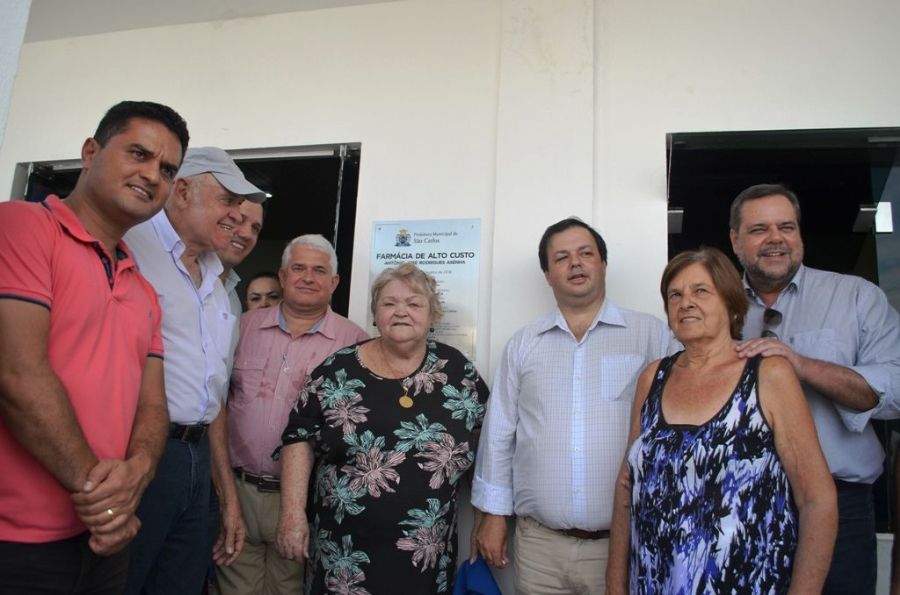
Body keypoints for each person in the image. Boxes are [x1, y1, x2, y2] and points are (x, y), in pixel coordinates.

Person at [0, 101, 188, 593]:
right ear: (90, 152)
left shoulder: (143, 290)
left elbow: (153, 406)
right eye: (139, 154)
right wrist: (106, 504)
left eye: (167, 169)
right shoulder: (20, 226)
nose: (152, 175)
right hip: (16, 543)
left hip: (104, 543)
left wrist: (140, 471)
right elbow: (18, 377)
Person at [606, 247, 837, 594]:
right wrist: (614, 586)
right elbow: (627, 486)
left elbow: (817, 499)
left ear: (731, 304)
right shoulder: (653, 378)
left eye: (700, 291)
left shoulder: (768, 374)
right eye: (675, 295)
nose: (686, 302)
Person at [471, 217, 673, 594]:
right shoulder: (523, 344)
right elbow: (499, 434)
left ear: (603, 264)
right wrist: (493, 514)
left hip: (623, 544)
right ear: (548, 275)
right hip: (539, 547)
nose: (575, 263)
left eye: (586, 253)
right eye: (562, 257)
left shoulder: (653, 336)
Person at [728, 183, 900, 594]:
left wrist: (802, 365)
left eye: (786, 227)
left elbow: (894, 390)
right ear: (734, 240)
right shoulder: (716, 306)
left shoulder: (855, 296)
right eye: (759, 230)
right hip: (743, 505)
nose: (775, 238)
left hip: (842, 505)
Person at [278, 263, 489, 593]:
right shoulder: (337, 371)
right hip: (344, 555)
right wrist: (292, 514)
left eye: (414, 303)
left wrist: (486, 517)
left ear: (432, 314)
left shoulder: (458, 372)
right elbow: (298, 438)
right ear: (375, 314)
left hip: (425, 555)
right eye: (389, 303)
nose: (401, 312)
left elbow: (487, 441)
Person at [122, 146, 267, 594]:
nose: (237, 216)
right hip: (137, 449)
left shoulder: (219, 285)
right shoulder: (130, 243)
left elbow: (212, 398)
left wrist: (225, 495)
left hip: (196, 457)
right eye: (228, 201)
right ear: (182, 191)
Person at [217, 234, 368, 595]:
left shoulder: (356, 344)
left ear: (334, 282)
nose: (308, 277)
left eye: (319, 270)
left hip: (308, 499)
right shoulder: (241, 327)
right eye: (298, 268)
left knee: (290, 589)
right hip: (237, 491)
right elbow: (215, 402)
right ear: (283, 277)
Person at [218, 200, 265, 314]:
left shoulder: (234, 301)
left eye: (255, 228)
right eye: (239, 220)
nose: (247, 234)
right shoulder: (180, 280)